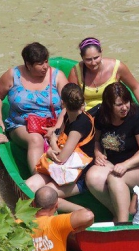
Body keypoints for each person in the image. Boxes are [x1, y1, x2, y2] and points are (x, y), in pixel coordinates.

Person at [0, 42, 68, 174]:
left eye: (46, 61)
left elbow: (68, 105)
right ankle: (38, 180)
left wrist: (57, 128)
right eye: (40, 64)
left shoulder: (57, 76)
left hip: (54, 124)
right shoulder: (13, 75)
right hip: (21, 125)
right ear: (28, 64)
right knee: (35, 139)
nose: (45, 67)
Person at [85, 82, 139, 223]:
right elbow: (97, 140)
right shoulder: (102, 116)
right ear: (109, 105)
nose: (124, 108)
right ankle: (120, 213)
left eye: (126, 102)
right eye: (119, 105)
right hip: (115, 164)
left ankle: (123, 224)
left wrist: (126, 165)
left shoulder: (138, 117)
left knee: (115, 178)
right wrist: (98, 153)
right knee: (92, 177)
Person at [26, 83, 94, 213]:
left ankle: (84, 213)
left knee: (43, 195)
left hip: (78, 175)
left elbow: (61, 157)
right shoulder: (68, 115)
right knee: (29, 187)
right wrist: (54, 141)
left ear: (62, 103)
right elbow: (60, 142)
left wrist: (51, 143)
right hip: (61, 167)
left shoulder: (79, 126)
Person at [68, 37, 139, 124]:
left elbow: (136, 87)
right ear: (81, 57)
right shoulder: (76, 72)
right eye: (88, 60)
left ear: (101, 53)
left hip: (115, 113)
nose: (93, 63)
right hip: (89, 116)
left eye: (96, 58)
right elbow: (70, 101)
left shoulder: (117, 67)